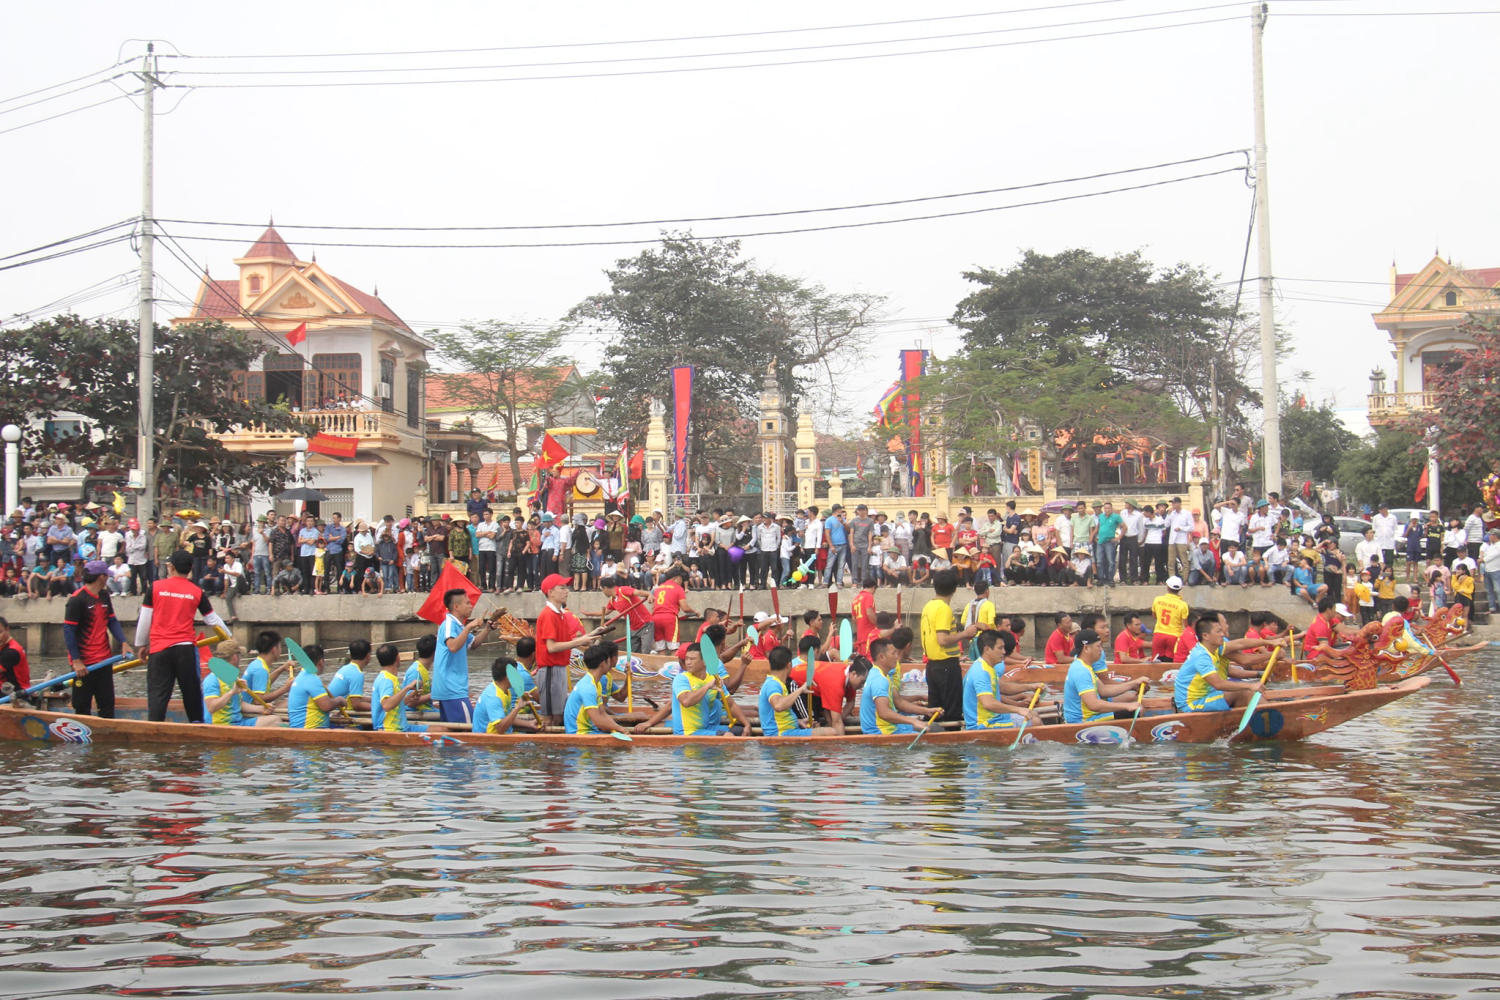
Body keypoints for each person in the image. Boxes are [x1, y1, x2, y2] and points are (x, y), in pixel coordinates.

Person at [135, 549, 226, 723]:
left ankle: (155, 728)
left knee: (158, 694)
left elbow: (145, 618)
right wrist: (229, 638)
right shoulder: (196, 591)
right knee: (191, 693)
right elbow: (212, 619)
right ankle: (197, 726)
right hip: (185, 649)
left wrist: (141, 645)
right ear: (190, 568)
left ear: (171, 567)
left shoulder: (156, 587)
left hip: (160, 649)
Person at [62, 560, 134, 718]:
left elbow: (112, 620)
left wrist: (123, 642)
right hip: (84, 664)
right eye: (106, 576)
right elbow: (69, 631)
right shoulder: (77, 600)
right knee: (81, 706)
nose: (108, 578)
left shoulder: (104, 595)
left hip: (103, 660)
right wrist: (76, 660)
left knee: (107, 703)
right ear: (101, 577)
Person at [535, 573, 608, 726]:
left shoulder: (560, 614)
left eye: (566, 587)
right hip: (550, 669)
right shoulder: (548, 614)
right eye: (561, 588)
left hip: (560, 668)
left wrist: (592, 634)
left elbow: (567, 641)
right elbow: (552, 647)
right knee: (550, 718)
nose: (566, 591)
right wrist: (582, 640)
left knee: (559, 716)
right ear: (550, 592)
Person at [431, 587, 497, 724]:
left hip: (453, 688)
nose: (470, 606)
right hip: (451, 688)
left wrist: (487, 629)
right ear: (456, 606)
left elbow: (473, 644)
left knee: (453, 730)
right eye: (467, 603)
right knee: (468, 727)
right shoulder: (449, 623)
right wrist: (468, 628)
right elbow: (453, 646)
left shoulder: (459, 626)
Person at [1172, 616, 1262, 712]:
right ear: (1206, 636)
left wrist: (1269, 643)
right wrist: (1250, 685)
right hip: (1191, 704)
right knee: (1245, 692)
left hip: (1208, 696)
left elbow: (1241, 643)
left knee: (1251, 693)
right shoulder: (1201, 656)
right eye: (1218, 631)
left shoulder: (1214, 649)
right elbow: (1218, 684)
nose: (1222, 634)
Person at [920, 569, 976, 723]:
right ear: (954, 589)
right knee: (952, 710)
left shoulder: (928, 606)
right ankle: (952, 738)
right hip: (946, 665)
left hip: (932, 666)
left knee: (936, 708)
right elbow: (942, 639)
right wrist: (965, 633)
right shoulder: (944, 609)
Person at [1062, 629, 1148, 724]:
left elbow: (1104, 690)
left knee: (1132, 703)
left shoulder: (1084, 666)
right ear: (1086, 648)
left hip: (1091, 716)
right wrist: (1127, 706)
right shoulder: (1081, 670)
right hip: (1083, 721)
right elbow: (1094, 705)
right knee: (1134, 711)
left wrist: (1133, 684)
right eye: (1098, 646)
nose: (1101, 650)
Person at [963, 630, 1042, 731]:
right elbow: (989, 703)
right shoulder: (981, 672)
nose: (1004, 652)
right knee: (1035, 721)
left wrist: (1031, 687)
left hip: (994, 717)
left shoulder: (987, 667)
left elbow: (1003, 687)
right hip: (983, 724)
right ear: (987, 649)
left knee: (1033, 714)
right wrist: (1018, 709)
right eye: (1000, 648)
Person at [789, 638, 870, 735]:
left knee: (833, 718)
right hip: (796, 686)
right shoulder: (836, 682)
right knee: (814, 724)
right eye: (862, 682)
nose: (862, 686)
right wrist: (843, 747)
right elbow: (837, 722)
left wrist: (840, 717)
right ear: (853, 674)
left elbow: (850, 702)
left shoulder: (849, 675)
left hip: (815, 690)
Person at [860, 636, 933, 735]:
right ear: (881, 657)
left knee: (934, 728)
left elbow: (899, 702)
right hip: (880, 732)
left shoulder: (883, 675)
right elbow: (884, 713)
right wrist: (913, 721)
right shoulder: (879, 680)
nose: (897, 656)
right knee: (934, 731)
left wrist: (926, 711)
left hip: (891, 727)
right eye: (893, 653)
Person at [202, 640, 280, 727]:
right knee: (276, 721)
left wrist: (261, 709)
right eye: (240, 656)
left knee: (275, 720)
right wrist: (231, 692)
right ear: (235, 657)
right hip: (221, 726)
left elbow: (239, 704)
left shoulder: (232, 678)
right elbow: (211, 707)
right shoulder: (212, 679)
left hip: (238, 723)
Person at [758, 646, 831, 737]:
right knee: (833, 732)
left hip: (788, 731)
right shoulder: (773, 684)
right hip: (781, 734)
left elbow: (777, 713)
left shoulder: (776, 682)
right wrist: (800, 690)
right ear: (789, 665)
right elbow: (778, 706)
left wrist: (798, 721)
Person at [286, 644, 348, 729]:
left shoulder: (301, 676)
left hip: (302, 727)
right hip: (310, 730)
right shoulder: (311, 678)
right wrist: (339, 700)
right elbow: (326, 706)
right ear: (321, 661)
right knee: (354, 731)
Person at [472, 655, 538, 734]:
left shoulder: (506, 691)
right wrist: (517, 708)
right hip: (487, 742)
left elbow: (507, 718)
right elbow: (500, 728)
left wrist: (529, 724)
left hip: (503, 735)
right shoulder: (494, 697)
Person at [369, 643, 425, 732]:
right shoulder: (386, 680)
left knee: (443, 729)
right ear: (397, 658)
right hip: (391, 729)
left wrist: (412, 695)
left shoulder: (390, 678)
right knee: (442, 731)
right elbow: (387, 705)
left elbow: (398, 703)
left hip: (403, 727)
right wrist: (407, 688)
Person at [599, 576, 653, 652]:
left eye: (602, 590)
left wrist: (649, 594)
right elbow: (605, 612)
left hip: (645, 624)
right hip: (633, 628)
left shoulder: (622, 590)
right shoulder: (612, 600)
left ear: (605, 588)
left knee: (645, 652)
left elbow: (639, 592)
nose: (603, 592)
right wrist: (588, 614)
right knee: (632, 654)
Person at [243, 629, 294, 706]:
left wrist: (282, 669)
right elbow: (258, 700)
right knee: (292, 702)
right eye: (280, 647)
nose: (280, 650)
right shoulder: (260, 669)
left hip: (251, 706)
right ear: (274, 649)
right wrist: (285, 688)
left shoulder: (257, 663)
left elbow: (265, 681)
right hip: (252, 711)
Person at [648, 569, 694, 652]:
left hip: (655, 618)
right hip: (669, 618)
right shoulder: (678, 588)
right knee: (674, 648)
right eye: (681, 579)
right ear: (677, 578)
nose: (681, 582)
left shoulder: (658, 588)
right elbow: (685, 608)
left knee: (660, 648)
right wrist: (695, 612)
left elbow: (653, 606)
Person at [327, 638, 373, 715]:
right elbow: (356, 705)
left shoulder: (345, 668)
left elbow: (355, 698)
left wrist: (374, 700)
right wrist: (378, 707)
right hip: (335, 713)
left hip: (332, 707)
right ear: (368, 656)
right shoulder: (357, 674)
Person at [1149, 576, 1189, 660]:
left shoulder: (1157, 600)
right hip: (1174, 636)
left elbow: (1154, 616)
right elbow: (1185, 625)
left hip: (1159, 634)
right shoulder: (1183, 605)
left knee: (1156, 661)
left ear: (1167, 587)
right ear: (1180, 589)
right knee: (1170, 661)